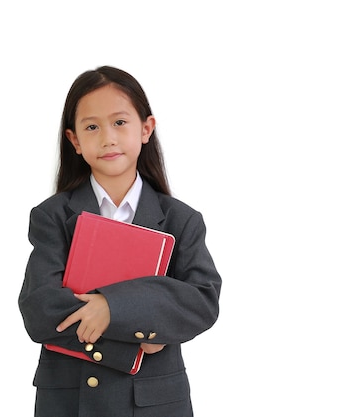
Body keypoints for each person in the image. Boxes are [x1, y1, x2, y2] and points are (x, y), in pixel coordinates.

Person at [18, 65, 222, 417]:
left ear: (146, 129)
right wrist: (140, 336)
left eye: (120, 122)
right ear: (75, 141)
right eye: (92, 127)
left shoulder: (181, 220)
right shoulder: (51, 216)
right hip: (71, 402)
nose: (108, 137)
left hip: (154, 405)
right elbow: (40, 312)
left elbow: (200, 302)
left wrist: (112, 307)